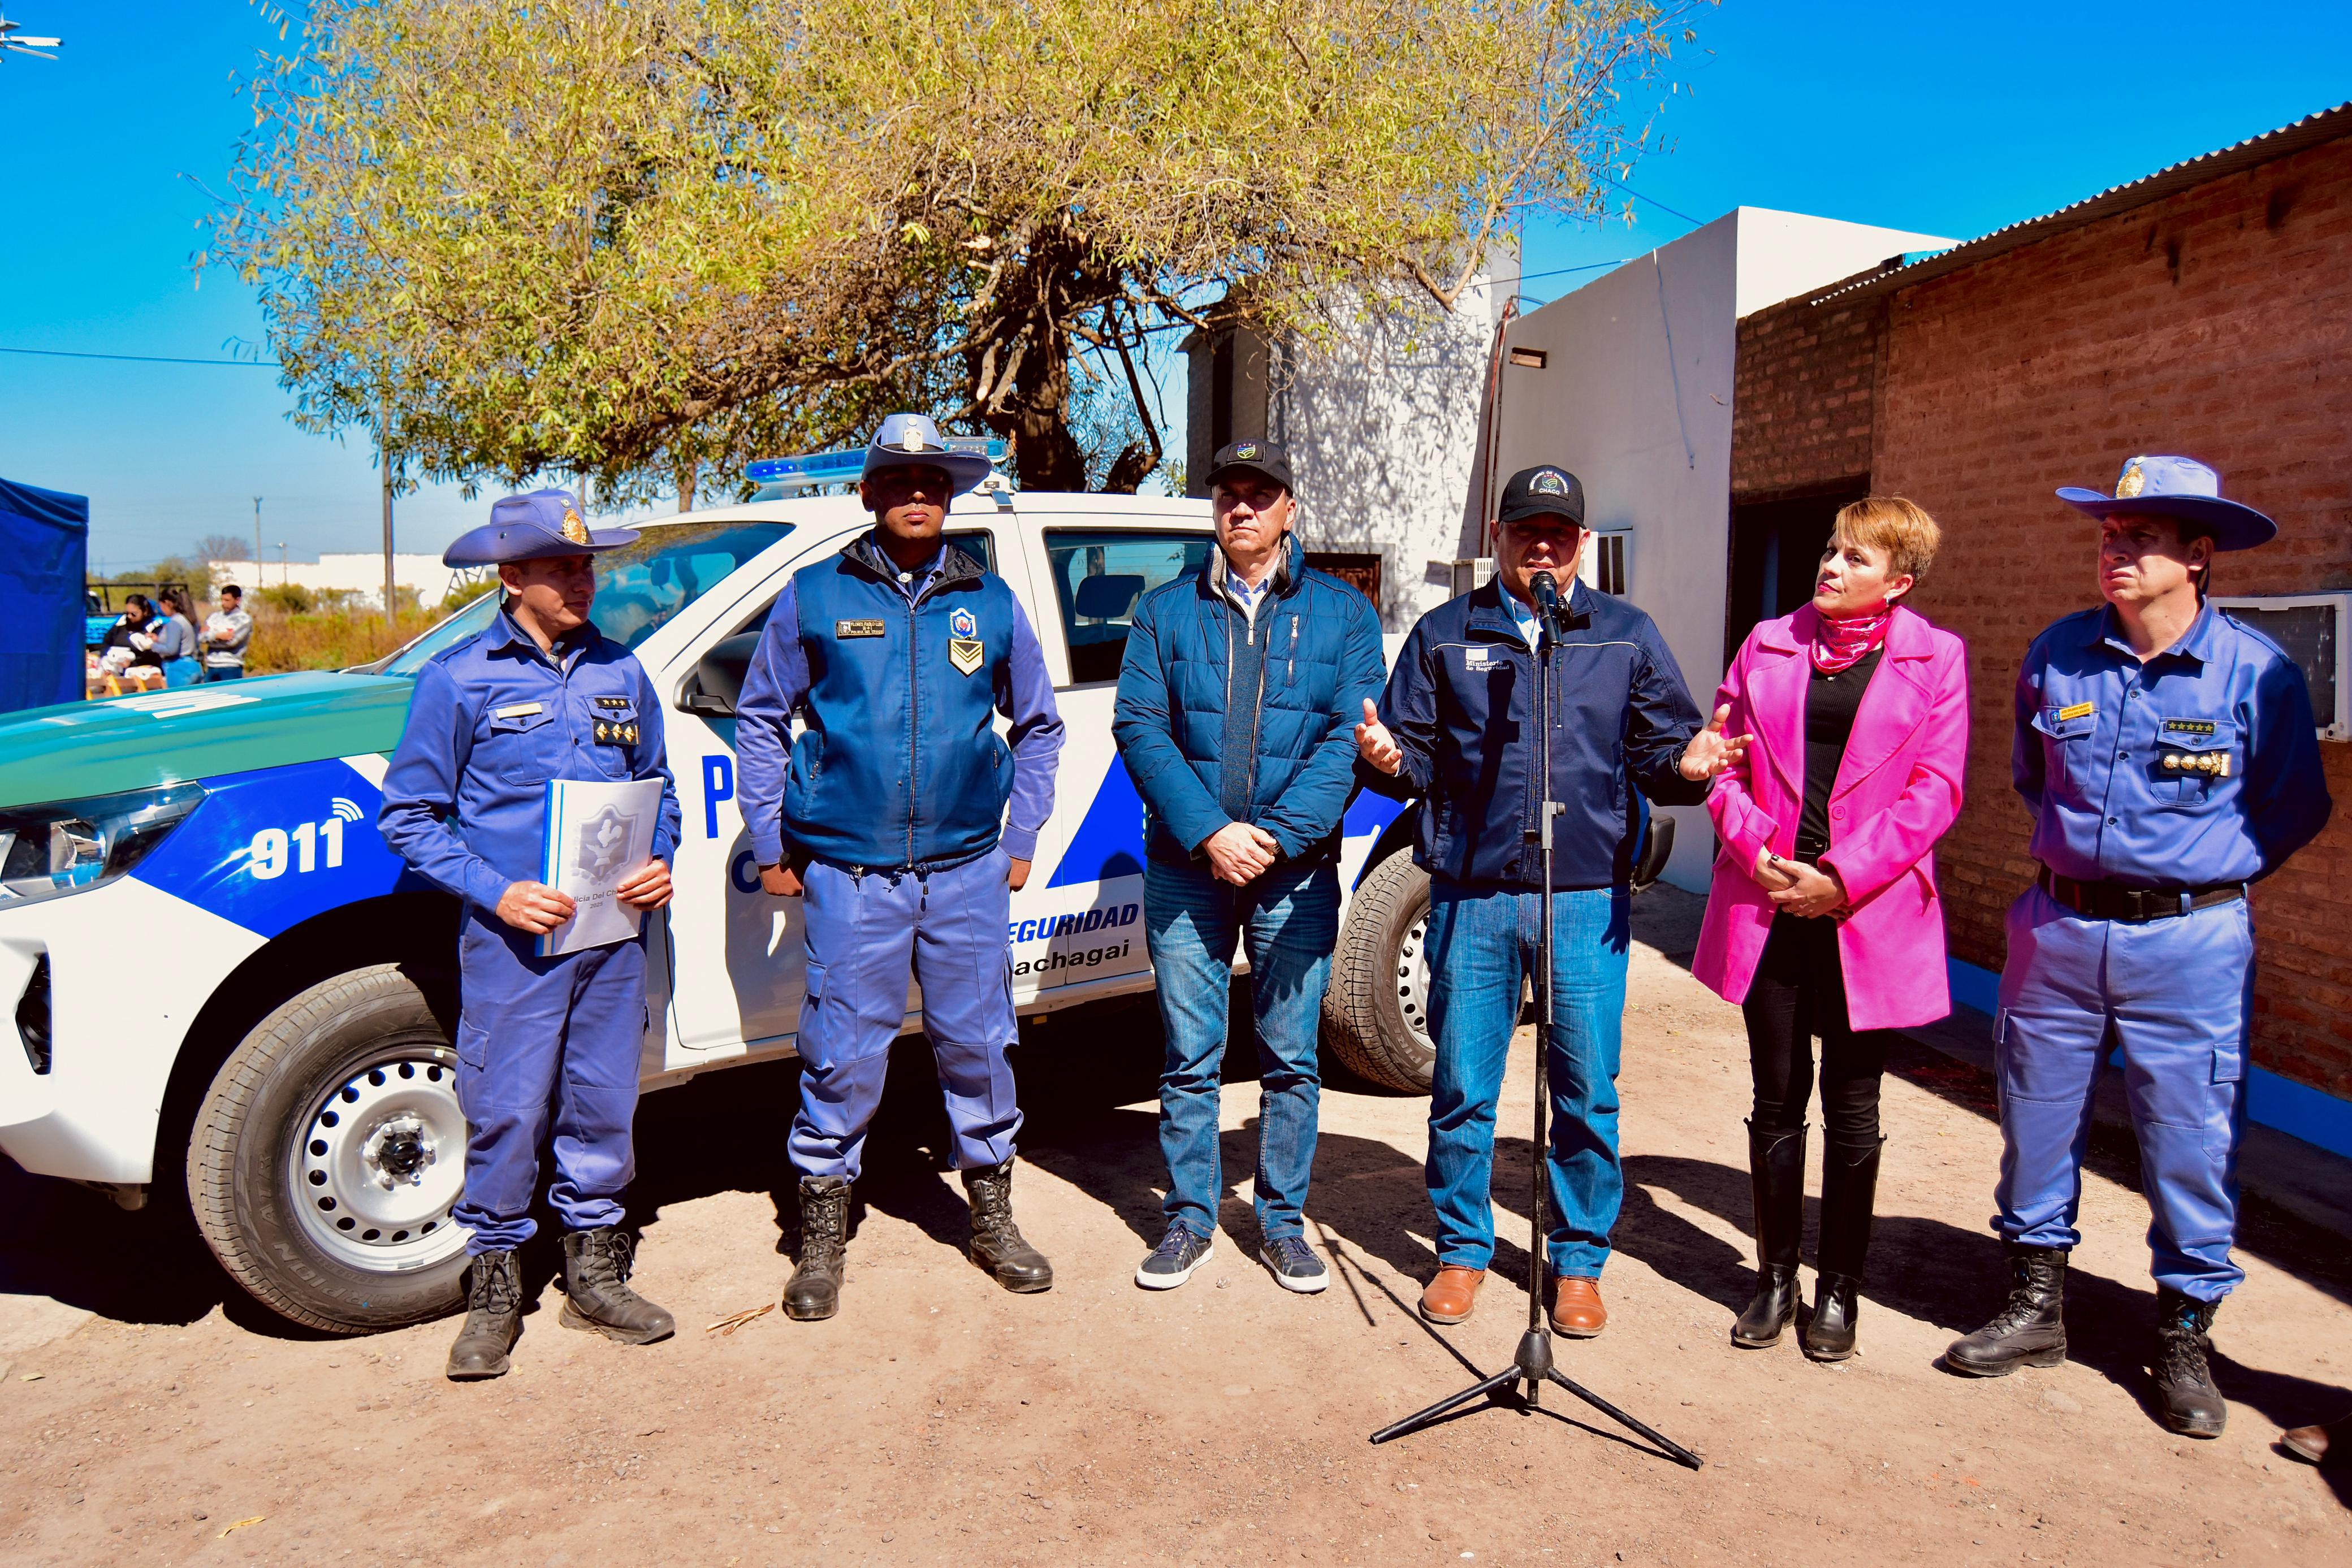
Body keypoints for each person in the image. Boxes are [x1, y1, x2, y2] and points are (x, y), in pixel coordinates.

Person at [1945, 455, 2332, 1439]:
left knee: (2192, 1136)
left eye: (2141, 537)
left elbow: (2294, 806)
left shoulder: (2258, 671)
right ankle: (2035, 1304)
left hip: (2193, 939)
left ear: (2199, 557)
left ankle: (2185, 1336)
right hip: (2061, 926)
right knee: (2035, 1115)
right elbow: (2035, 777)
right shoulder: (2060, 654)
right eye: (2109, 534)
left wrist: (2198, 873)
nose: (2115, 550)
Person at [1355, 463, 1743, 1335]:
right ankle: (1462, 1250)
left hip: (1583, 898)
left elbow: (1662, 750)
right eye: (1526, 530)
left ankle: (1576, 1262)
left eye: (1559, 534)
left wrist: (1685, 767)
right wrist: (1388, 764)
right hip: (1473, 892)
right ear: (1496, 538)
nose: (1542, 546)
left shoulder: (1624, 635)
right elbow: (1415, 755)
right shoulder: (1446, 633)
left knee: (1585, 1089)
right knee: (1462, 1083)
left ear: (1581, 545)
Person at [735, 412, 1066, 1322]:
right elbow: (760, 720)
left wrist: (1023, 835)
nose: (918, 494)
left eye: (934, 481)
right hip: (852, 875)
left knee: (981, 1046)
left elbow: (1039, 724)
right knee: (841, 1055)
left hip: (965, 871)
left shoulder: (990, 602)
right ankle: (820, 1241)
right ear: (871, 492)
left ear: (949, 495)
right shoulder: (812, 596)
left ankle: (992, 1218)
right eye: (900, 480)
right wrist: (772, 841)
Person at [379, 489, 682, 1381]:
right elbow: (410, 817)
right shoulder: (460, 678)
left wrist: (659, 860)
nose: (583, 581)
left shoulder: (622, 672)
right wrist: (497, 892)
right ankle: (494, 1289)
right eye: (563, 567)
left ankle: (596, 1273)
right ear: (512, 577)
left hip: (612, 939)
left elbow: (656, 785)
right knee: (508, 1107)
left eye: (587, 565)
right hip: (514, 943)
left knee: (602, 1101)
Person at [1691, 498, 1969, 1361]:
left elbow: (1936, 790)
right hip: (1768, 899)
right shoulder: (1767, 642)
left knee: (1854, 1105)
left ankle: (1839, 1290)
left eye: (1855, 557)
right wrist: (1761, 851)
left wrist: (1840, 878)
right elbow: (1717, 757)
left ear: (1900, 581)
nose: (1832, 567)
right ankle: (1776, 1276)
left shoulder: (1938, 658)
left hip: (1866, 911)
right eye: (1830, 551)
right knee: (1775, 1095)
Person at [1111, 438, 1386, 1294]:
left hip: (1293, 868)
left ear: (1289, 510)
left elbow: (1350, 738)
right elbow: (1140, 729)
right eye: (1228, 493)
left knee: (1290, 1057)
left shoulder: (1343, 614)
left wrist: (1271, 836)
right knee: (1190, 1055)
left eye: (1260, 494)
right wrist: (1210, 834)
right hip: (1188, 866)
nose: (1241, 507)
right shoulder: (1163, 612)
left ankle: (1280, 1222)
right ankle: (1191, 1218)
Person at [154, 587, 203, 688]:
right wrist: (158, 640)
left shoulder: (175, 623)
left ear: (167, 603)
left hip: (179, 670)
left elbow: (171, 649)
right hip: (191, 667)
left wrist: (153, 646)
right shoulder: (186, 620)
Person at [202, 585, 253, 681]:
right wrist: (218, 636)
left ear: (237, 600)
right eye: (222, 600)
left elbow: (231, 643)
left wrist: (210, 638)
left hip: (231, 666)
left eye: (227, 600)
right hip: (211, 666)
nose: (223, 603)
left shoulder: (243, 619)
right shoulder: (214, 617)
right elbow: (201, 637)